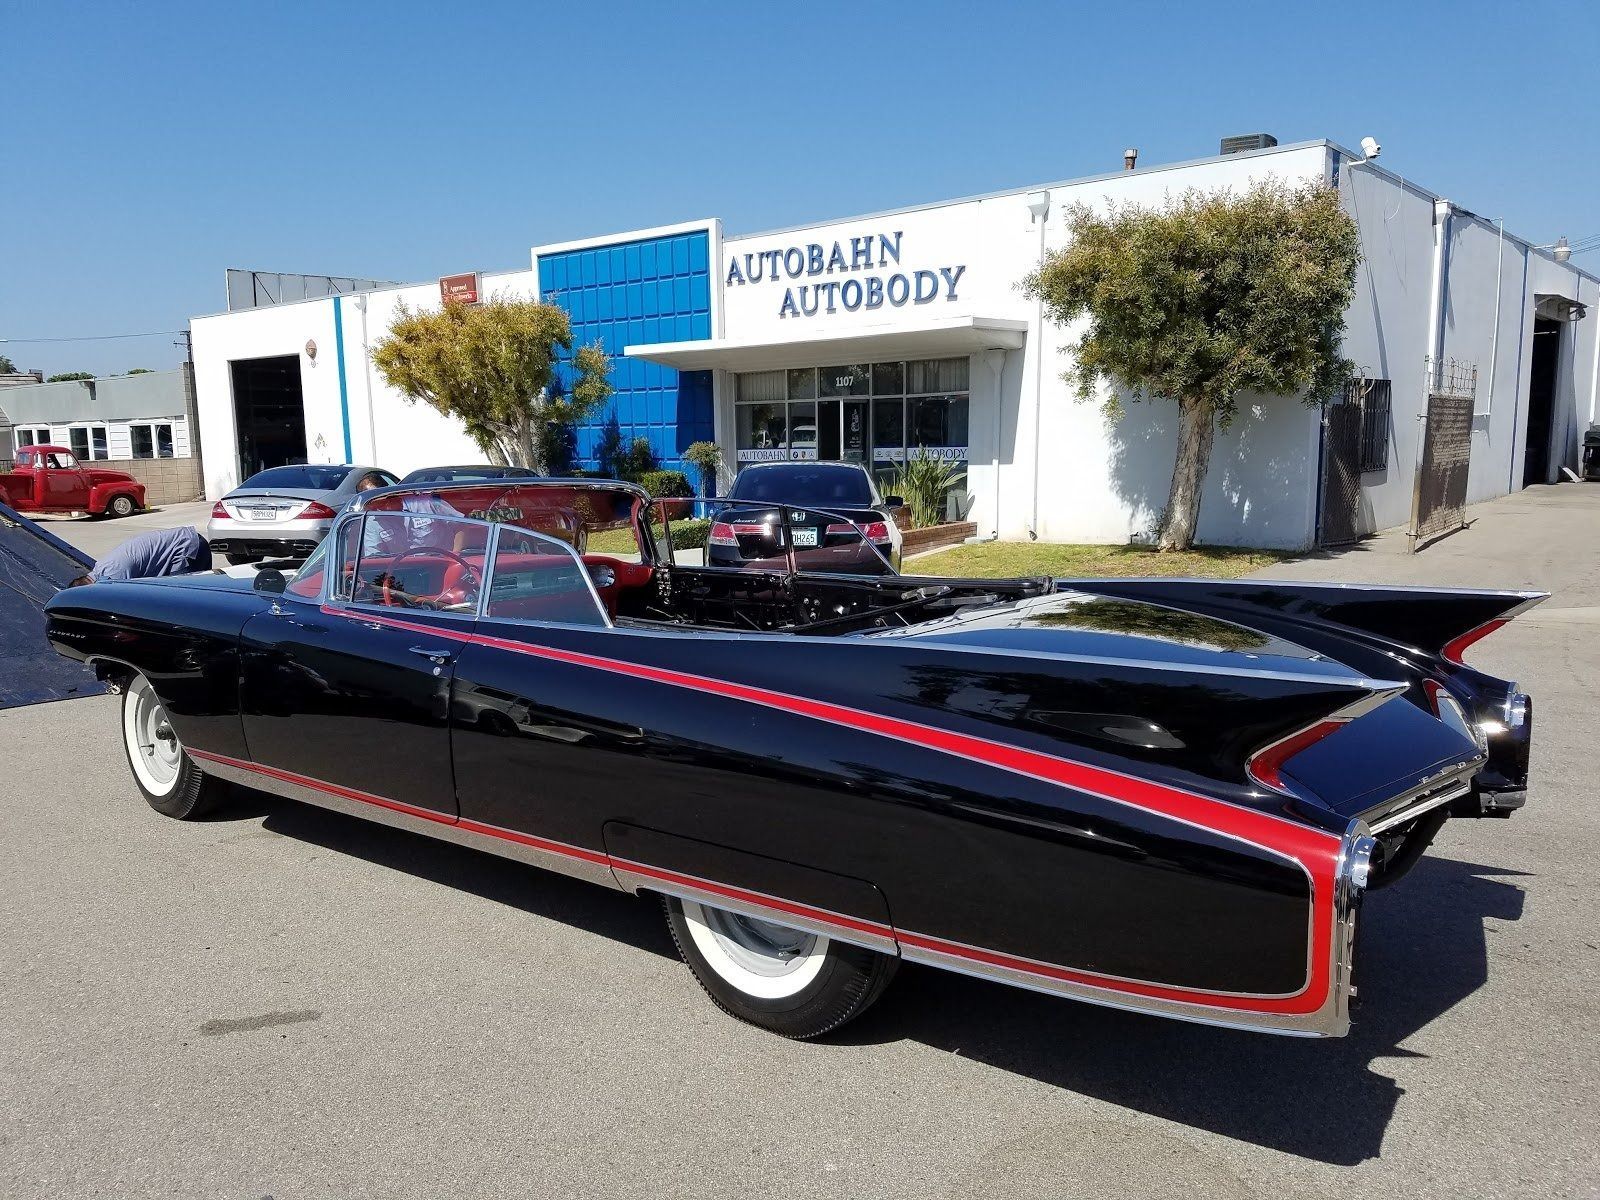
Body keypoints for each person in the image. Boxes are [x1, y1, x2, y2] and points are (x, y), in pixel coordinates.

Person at [69, 526, 212, 586]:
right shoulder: (101, 568)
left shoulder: (114, 576)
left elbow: (128, 602)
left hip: (186, 547)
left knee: (182, 598)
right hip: (188, 541)